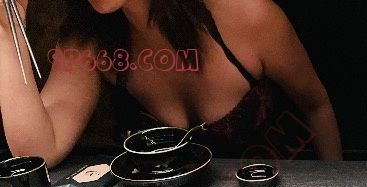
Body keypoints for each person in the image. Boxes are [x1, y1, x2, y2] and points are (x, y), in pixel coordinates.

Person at [0, 0, 342, 167]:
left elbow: (316, 106)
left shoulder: (247, 13)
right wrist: (5, 27)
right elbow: (39, 151)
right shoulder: (90, 39)